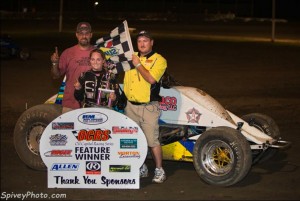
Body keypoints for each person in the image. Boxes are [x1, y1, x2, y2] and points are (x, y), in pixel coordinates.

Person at [123, 30, 167, 183]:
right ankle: (141, 166)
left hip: (149, 107)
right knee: (133, 140)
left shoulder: (159, 60)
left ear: (152, 42)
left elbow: (151, 79)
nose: (142, 44)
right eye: (139, 41)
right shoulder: (130, 56)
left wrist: (138, 64)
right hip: (130, 107)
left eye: (145, 41)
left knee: (152, 141)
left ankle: (159, 169)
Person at [50, 22, 94, 113]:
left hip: (92, 104)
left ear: (91, 35)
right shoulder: (68, 53)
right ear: (77, 35)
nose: (84, 36)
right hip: (70, 104)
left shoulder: (97, 53)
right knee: (68, 127)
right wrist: (54, 64)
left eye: (86, 33)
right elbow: (55, 75)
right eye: (81, 33)